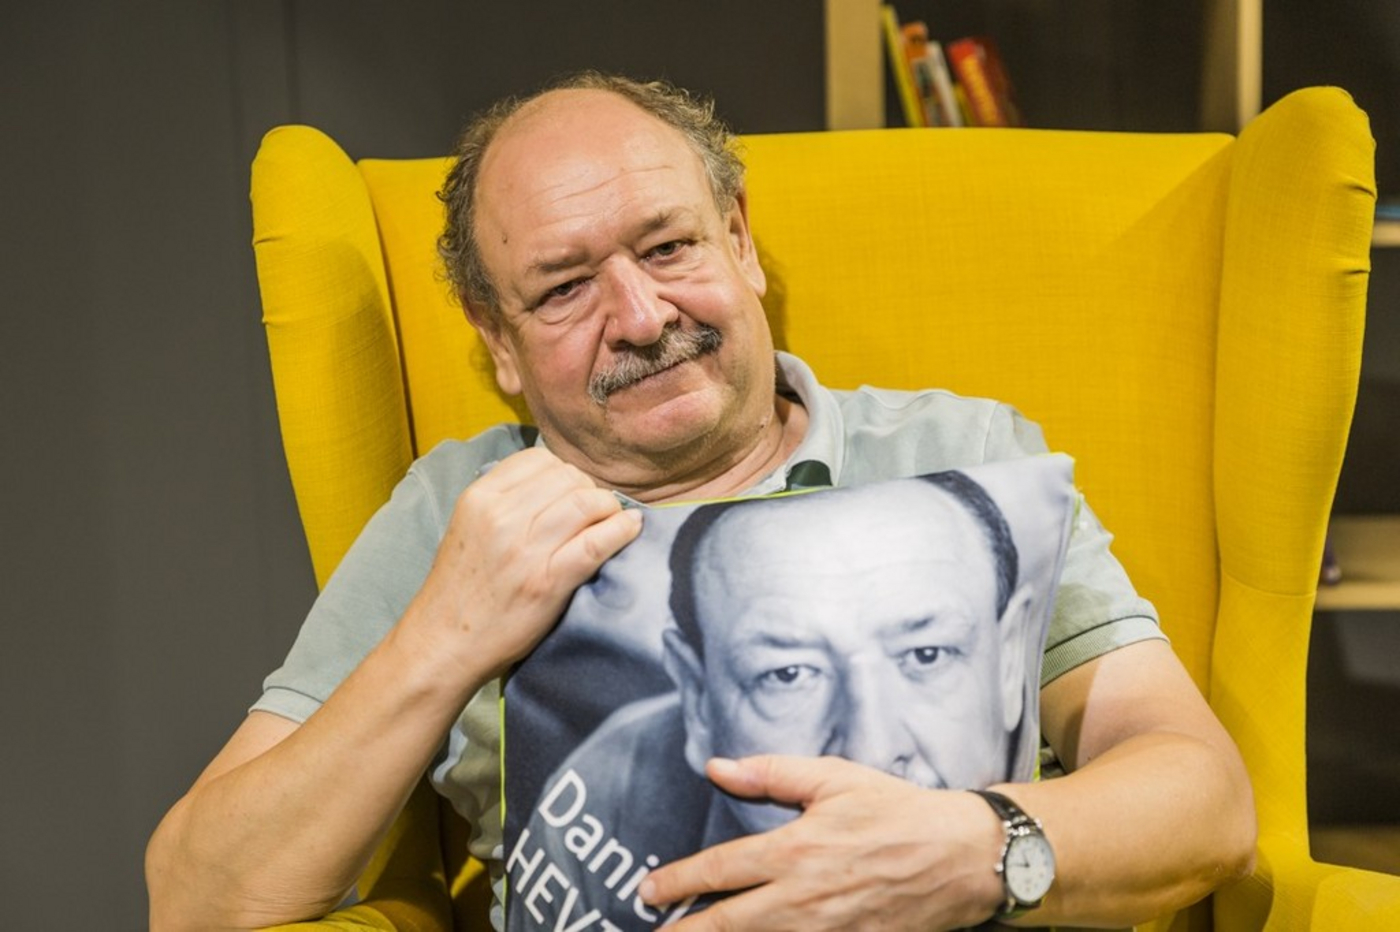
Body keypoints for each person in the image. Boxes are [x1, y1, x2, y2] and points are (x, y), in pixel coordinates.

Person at [145, 71, 1256, 931]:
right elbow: (199, 896)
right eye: (564, 287)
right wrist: (443, 634)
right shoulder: (457, 513)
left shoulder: (956, 454)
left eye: (669, 246)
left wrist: (966, 851)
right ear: (498, 341)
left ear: (739, 239)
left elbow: (1204, 801)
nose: (640, 317)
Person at [506, 467, 1058, 930]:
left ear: (1009, 659)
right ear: (697, 700)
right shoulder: (610, 787)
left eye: (927, 655)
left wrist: (990, 853)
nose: (869, 749)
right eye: (788, 674)